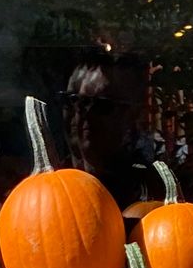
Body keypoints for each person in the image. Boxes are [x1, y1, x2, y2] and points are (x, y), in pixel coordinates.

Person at [61, 50, 155, 206]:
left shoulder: (145, 191)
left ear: (133, 116)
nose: (83, 113)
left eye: (102, 105)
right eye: (72, 100)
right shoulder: (44, 190)